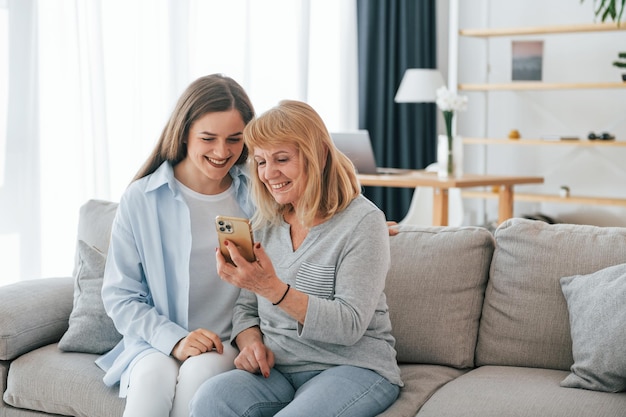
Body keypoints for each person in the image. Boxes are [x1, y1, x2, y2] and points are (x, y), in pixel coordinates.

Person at [189, 100, 403, 417]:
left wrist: (274, 289)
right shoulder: (266, 224)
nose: (268, 173)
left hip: (353, 366)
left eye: (282, 159)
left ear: (318, 156)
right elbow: (247, 308)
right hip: (278, 370)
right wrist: (251, 344)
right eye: (260, 162)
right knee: (210, 399)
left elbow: (349, 325)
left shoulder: (364, 222)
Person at [96, 73, 256, 417]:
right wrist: (175, 340)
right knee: (153, 377)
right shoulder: (142, 198)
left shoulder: (256, 195)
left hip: (226, 341)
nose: (221, 151)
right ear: (184, 133)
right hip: (156, 339)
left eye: (234, 139)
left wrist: (372, 224)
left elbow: (314, 210)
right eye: (208, 138)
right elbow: (120, 296)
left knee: (200, 372)